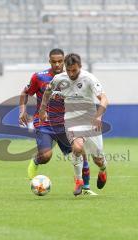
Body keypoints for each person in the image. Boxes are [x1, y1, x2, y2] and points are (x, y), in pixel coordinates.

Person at [19, 49, 96, 196]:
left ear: (65, 61)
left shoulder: (75, 77)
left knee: (80, 151)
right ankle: (36, 160)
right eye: (54, 62)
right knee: (46, 156)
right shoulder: (39, 77)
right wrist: (22, 111)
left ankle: (85, 187)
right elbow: (25, 92)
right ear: (49, 61)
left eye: (60, 61)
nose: (57, 64)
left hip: (66, 123)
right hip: (45, 123)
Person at [39, 53, 108, 191]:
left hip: (90, 120)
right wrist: (42, 109)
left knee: (98, 159)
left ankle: (103, 169)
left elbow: (104, 99)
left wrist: (99, 116)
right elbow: (47, 92)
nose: (71, 73)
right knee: (77, 148)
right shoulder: (59, 78)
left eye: (74, 70)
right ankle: (78, 181)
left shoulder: (89, 78)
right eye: (68, 70)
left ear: (80, 67)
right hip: (71, 120)